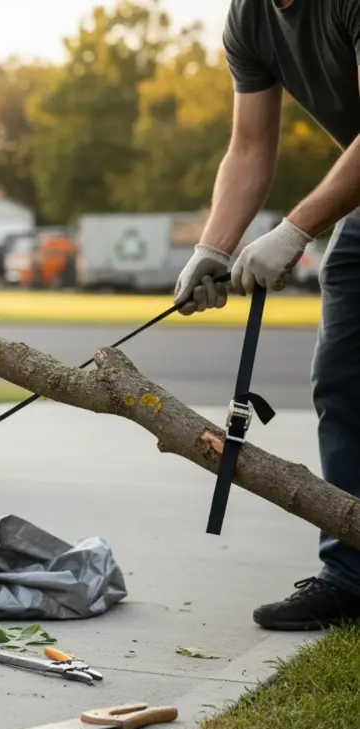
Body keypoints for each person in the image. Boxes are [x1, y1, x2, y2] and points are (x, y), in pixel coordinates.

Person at [174, 0, 360, 630]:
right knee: (344, 379)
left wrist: (296, 228)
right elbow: (250, 146)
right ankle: (352, 575)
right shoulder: (250, 17)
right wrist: (212, 248)